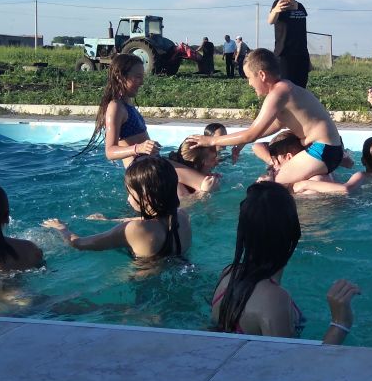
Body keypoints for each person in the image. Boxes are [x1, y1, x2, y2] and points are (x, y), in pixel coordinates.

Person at [210, 182, 359, 343]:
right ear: (293, 231)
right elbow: (286, 358)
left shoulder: (228, 274)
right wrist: (340, 324)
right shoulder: (274, 300)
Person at [184, 48, 344, 186]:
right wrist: (243, 142)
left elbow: (252, 134)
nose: (249, 84)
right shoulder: (285, 88)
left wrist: (211, 141)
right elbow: (276, 125)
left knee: (267, 185)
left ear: (261, 75)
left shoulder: (277, 94)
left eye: (249, 77)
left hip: (323, 150)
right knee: (273, 177)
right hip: (329, 150)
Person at [78, 54, 215, 195]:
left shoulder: (126, 104)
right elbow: (110, 152)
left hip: (152, 163)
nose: (142, 82)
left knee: (188, 191)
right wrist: (139, 148)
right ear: (120, 77)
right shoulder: (116, 106)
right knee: (207, 184)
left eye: (142, 77)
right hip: (143, 169)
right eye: (137, 77)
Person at [43, 157, 192, 260]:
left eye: (130, 193)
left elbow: (80, 244)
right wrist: (111, 220)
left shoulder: (133, 229)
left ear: (145, 198)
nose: (128, 198)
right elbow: (153, 221)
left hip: (145, 285)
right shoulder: (182, 215)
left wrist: (62, 229)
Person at [295, 87, 372, 195]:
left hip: (356, 203)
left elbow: (346, 189)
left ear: (363, 161)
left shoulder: (362, 176)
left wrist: (306, 184)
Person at [267, 0, 310, 87]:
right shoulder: (278, 3)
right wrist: (276, 10)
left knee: (300, 90)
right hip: (284, 56)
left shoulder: (301, 7)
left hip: (301, 56)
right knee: (285, 90)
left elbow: (302, 33)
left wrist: (307, 58)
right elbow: (270, 21)